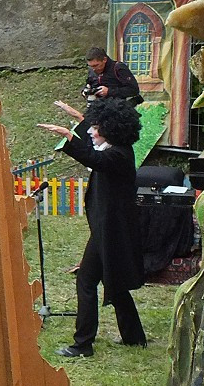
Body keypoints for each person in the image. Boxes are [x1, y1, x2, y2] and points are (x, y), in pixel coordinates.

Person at [39, 97, 146, 357]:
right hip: (109, 228)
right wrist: (79, 117)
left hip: (110, 230)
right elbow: (93, 146)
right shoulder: (116, 147)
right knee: (115, 281)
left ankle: (83, 343)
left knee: (87, 280)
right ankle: (133, 337)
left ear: (110, 129)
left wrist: (67, 135)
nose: (91, 132)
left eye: (95, 127)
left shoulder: (117, 155)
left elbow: (93, 157)